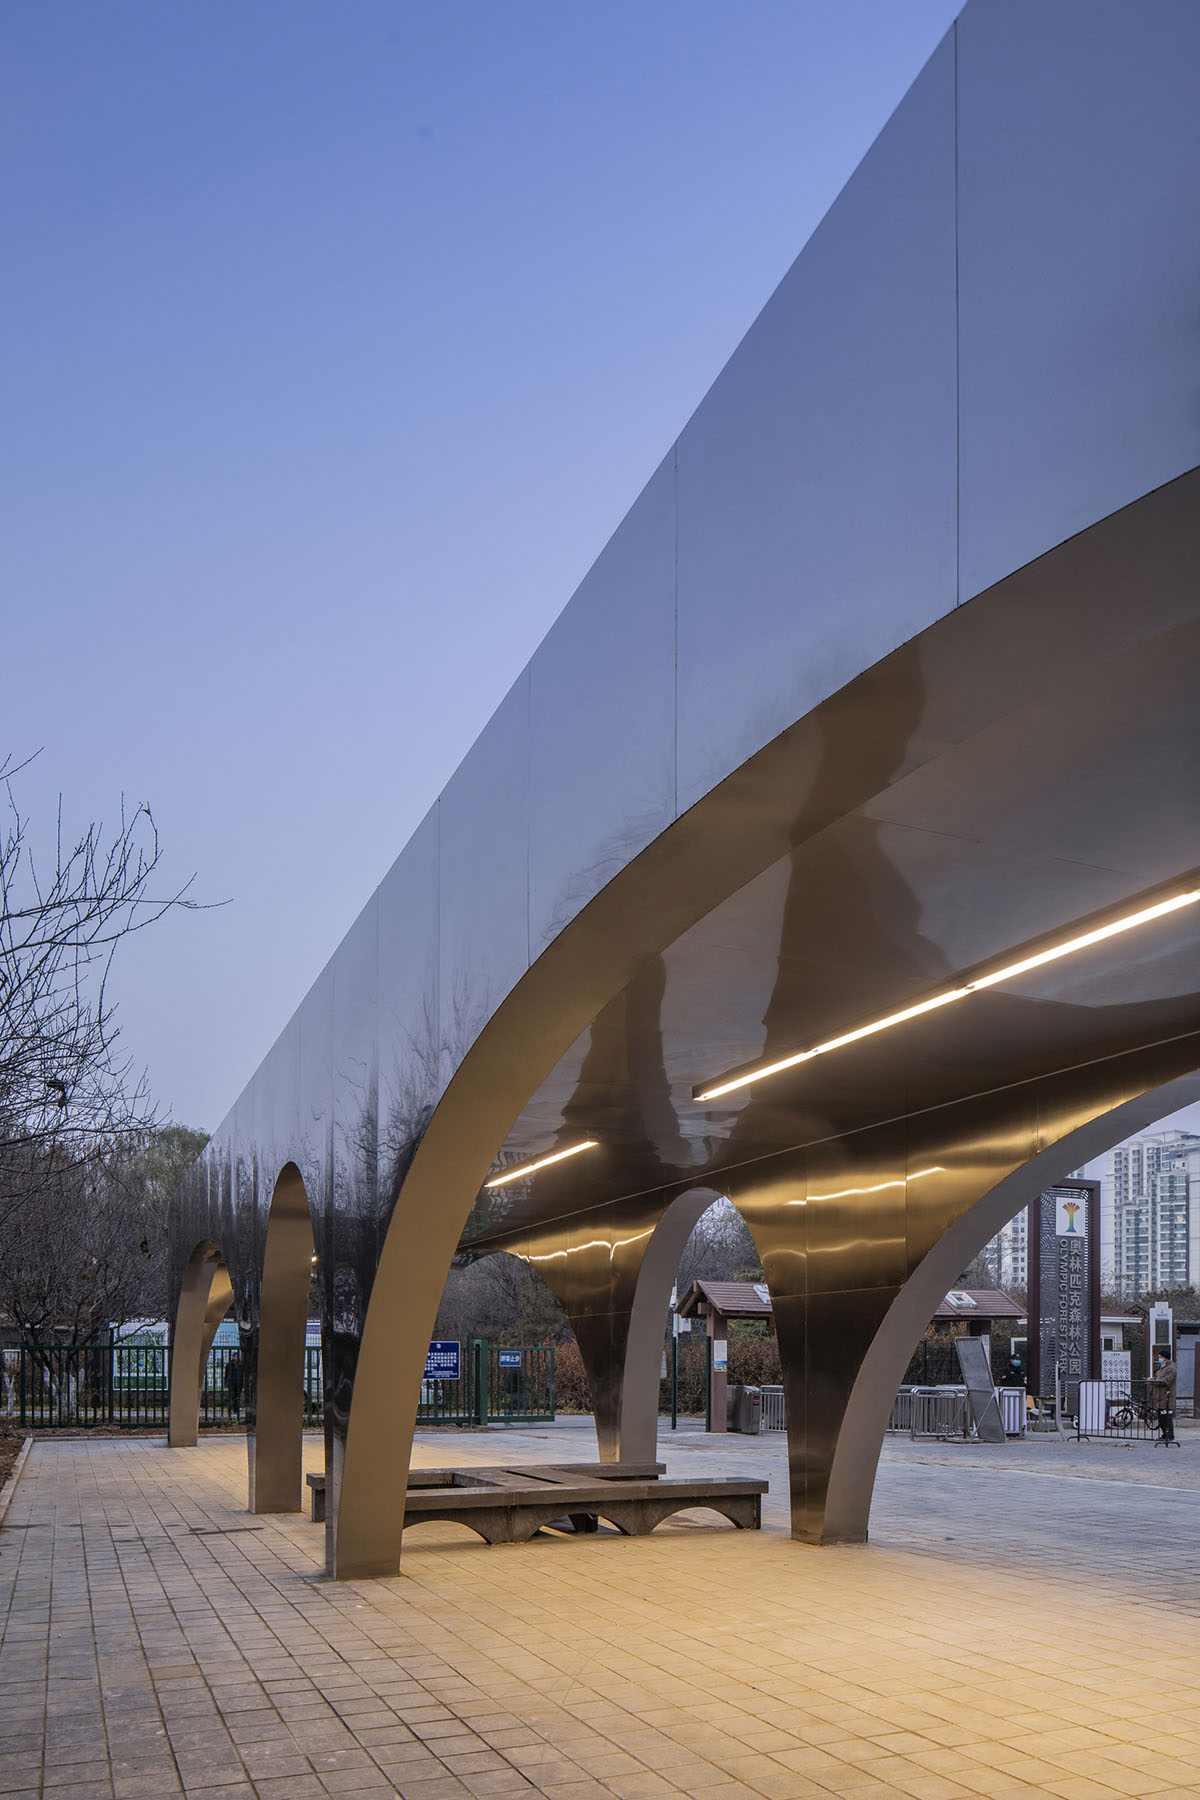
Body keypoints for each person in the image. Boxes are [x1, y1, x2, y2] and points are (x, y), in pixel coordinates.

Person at [1150, 1352, 1177, 1447]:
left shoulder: (1171, 1368)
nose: (1159, 1359)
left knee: (1166, 1417)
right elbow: (1157, 1377)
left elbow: (1166, 1381)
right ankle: (1164, 1434)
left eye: (1160, 1357)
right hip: (1159, 1397)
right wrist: (1151, 1379)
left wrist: (1153, 1381)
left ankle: (1170, 1435)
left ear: (1165, 1358)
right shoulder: (1162, 1368)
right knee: (1161, 1417)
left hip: (1166, 1397)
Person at [224, 1351, 243, 1420]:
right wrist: (225, 1382)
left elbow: (242, 1374)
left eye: (237, 1356)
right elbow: (226, 1374)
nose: (236, 1358)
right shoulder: (229, 1364)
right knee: (231, 1397)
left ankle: (236, 1411)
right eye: (235, 1356)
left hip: (238, 1383)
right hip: (231, 1383)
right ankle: (229, 1412)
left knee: (237, 1398)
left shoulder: (240, 1364)